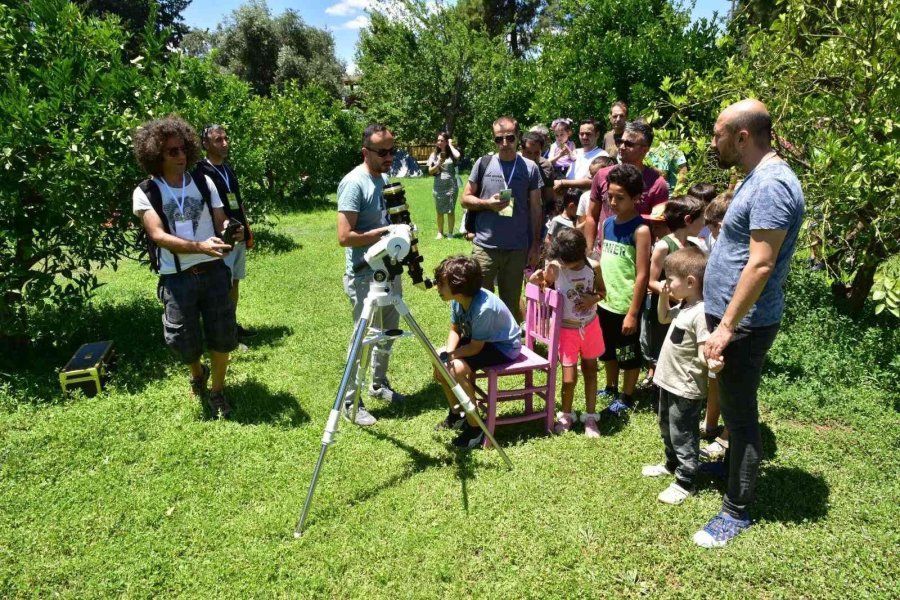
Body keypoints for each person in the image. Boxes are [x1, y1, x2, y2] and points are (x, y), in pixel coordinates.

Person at [695, 99, 805, 549]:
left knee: (741, 416)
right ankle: (729, 469)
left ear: (742, 137)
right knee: (734, 408)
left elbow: (760, 266)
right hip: (730, 317)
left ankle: (736, 510)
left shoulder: (773, 185)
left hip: (745, 323)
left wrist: (726, 329)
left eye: (718, 133)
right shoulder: (756, 178)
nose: (713, 141)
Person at [131, 116, 240, 418]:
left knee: (222, 333)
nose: (180, 156)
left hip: (214, 271)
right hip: (177, 277)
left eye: (182, 149)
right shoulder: (146, 192)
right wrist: (199, 246)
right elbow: (157, 235)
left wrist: (231, 227)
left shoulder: (203, 182)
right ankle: (197, 371)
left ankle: (217, 390)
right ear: (155, 155)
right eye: (172, 152)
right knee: (182, 340)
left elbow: (221, 220)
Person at [336, 123, 407, 427]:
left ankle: (378, 384)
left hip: (389, 268)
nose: (389, 156)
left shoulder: (386, 179)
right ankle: (351, 400)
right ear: (366, 151)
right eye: (383, 152)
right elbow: (344, 236)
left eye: (393, 150)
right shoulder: (354, 183)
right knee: (362, 337)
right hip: (365, 274)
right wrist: (382, 233)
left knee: (388, 332)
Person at [642, 247, 716, 504]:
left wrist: (707, 365)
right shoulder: (685, 306)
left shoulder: (701, 313)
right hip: (668, 381)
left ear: (691, 282)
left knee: (683, 432)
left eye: (670, 279)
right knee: (667, 426)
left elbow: (704, 350)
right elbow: (662, 317)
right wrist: (664, 295)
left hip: (685, 386)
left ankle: (686, 481)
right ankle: (671, 464)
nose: (666, 283)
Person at [433, 256, 522, 449]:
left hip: (503, 346)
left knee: (456, 369)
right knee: (438, 359)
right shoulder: (458, 299)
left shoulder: (484, 309)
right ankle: (457, 414)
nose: (436, 287)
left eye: (441, 284)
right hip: (481, 340)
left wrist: (451, 357)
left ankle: (475, 428)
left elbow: (475, 348)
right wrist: (447, 354)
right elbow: (454, 330)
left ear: (458, 286)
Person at [462, 116, 543, 323]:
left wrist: (535, 246)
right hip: (485, 246)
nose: (505, 143)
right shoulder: (483, 163)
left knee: (510, 302)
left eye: (510, 138)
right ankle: (480, 345)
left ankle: (508, 346)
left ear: (518, 137)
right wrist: (487, 203)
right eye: (499, 139)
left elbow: (535, 209)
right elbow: (465, 199)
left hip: (517, 248)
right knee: (479, 300)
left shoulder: (530, 168)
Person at [529, 228, 605, 437]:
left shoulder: (593, 266)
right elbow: (545, 287)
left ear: (579, 255)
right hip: (566, 330)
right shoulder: (555, 268)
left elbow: (602, 292)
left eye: (564, 261)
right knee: (568, 378)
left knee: (591, 372)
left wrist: (593, 299)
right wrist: (537, 282)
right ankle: (566, 414)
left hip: (590, 327)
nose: (560, 263)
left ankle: (590, 417)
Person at [596, 164, 651, 416]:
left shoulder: (640, 230)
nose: (614, 202)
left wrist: (632, 312)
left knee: (627, 352)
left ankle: (627, 396)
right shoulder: (607, 224)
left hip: (625, 304)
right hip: (604, 302)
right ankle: (610, 386)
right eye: (610, 196)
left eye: (621, 198)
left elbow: (642, 274)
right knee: (607, 350)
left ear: (636, 198)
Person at [193, 124, 256, 342]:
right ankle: (224, 334)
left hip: (238, 234)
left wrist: (248, 231)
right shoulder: (201, 172)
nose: (225, 143)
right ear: (205, 144)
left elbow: (237, 202)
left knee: (235, 282)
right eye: (218, 140)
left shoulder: (227, 168)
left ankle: (232, 326)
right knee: (222, 286)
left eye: (226, 138)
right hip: (220, 239)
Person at [641, 196, 706, 389]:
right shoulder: (663, 246)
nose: (704, 223)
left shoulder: (694, 248)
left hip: (687, 310)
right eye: (701, 218)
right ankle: (658, 387)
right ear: (688, 220)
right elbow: (651, 281)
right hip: (665, 307)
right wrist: (673, 295)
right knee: (660, 347)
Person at [584, 121, 669, 256]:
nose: (622, 147)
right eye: (620, 141)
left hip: (636, 258)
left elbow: (660, 227)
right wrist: (589, 251)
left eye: (629, 144)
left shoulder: (657, 184)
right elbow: (592, 216)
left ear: (645, 149)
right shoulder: (602, 175)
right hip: (603, 254)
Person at [698, 191, 733, 461]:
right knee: (714, 373)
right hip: (714, 314)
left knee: (734, 381)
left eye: (713, 226)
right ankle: (711, 424)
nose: (710, 231)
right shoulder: (715, 238)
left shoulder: (742, 245)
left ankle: (728, 434)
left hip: (733, 322)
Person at [554, 119, 609, 194]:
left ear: (597, 135)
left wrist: (563, 183)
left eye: (588, 134)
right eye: (581, 134)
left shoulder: (602, 155)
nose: (584, 137)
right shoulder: (574, 152)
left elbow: (592, 181)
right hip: (567, 198)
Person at [426, 131, 461, 239]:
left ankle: (450, 233)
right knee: (439, 210)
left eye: (442, 140)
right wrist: (438, 163)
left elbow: (458, 156)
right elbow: (430, 171)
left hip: (451, 185)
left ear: (446, 142)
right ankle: (440, 233)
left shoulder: (452, 154)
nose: (439, 142)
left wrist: (450, 144)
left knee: (451, 210)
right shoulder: (434, 155)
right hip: (438, 186)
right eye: (438, 140)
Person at [521, 130, 556, 226]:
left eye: (536, 153)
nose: (532, 157)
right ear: (521, 150)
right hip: (516, 214)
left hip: (536, 215)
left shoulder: (546, 166)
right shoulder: (513, 163)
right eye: (528, 153)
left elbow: (549, 197)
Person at [576, 155, 615, 232]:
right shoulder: (585, 197)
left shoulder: (616, 197)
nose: (595, 179)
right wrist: (591, 217)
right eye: (592, 175)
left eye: (597, 176)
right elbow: (579, 227)